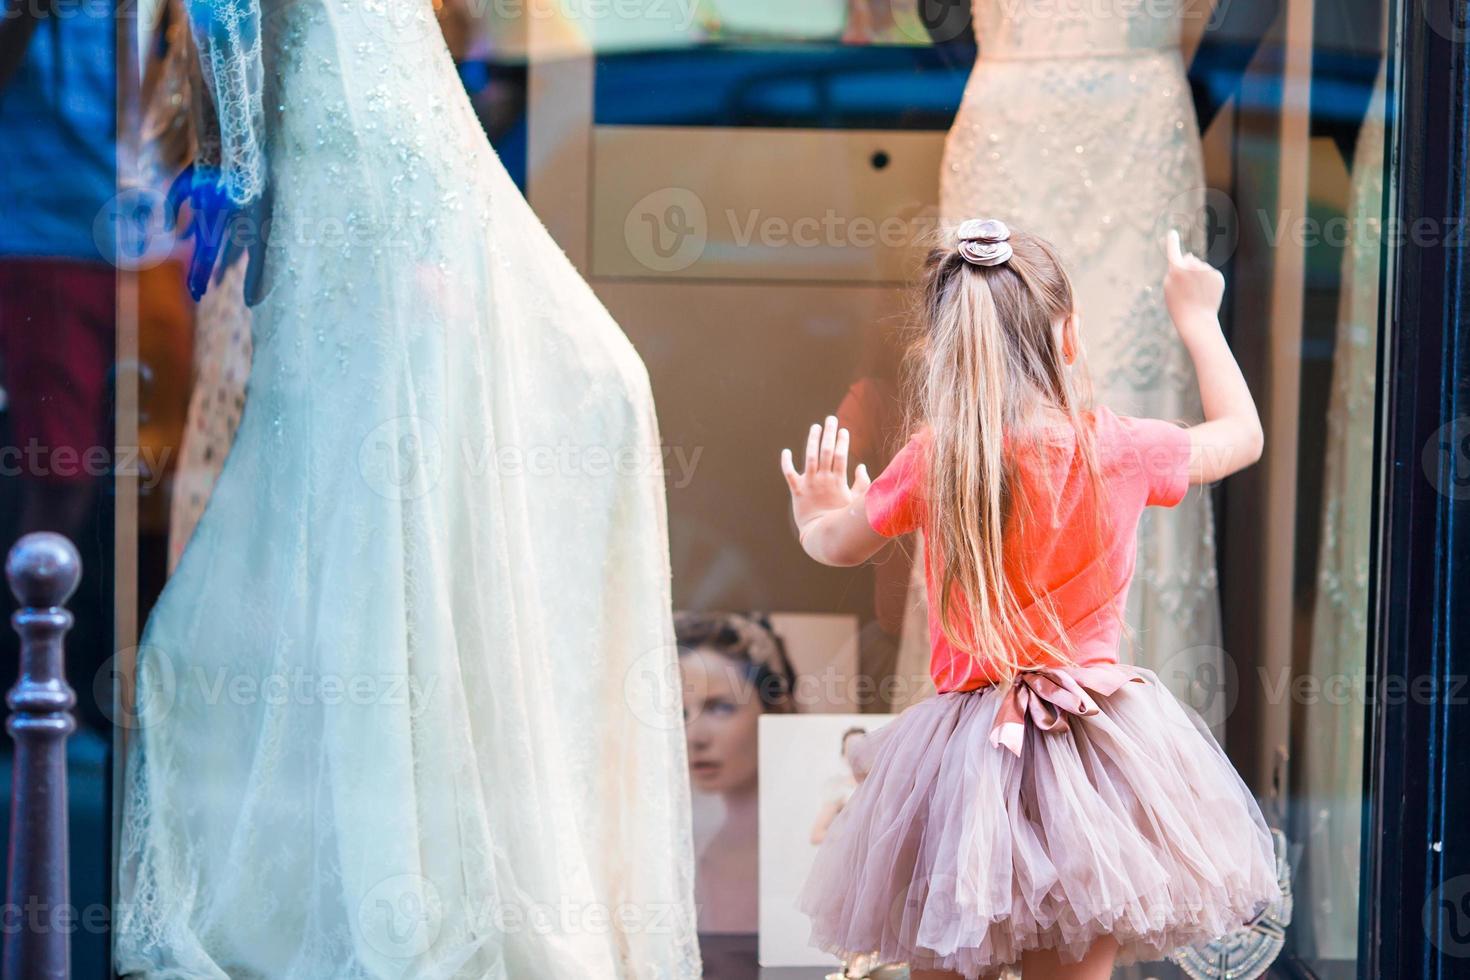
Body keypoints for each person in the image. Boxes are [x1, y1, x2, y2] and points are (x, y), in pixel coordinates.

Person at [114, 0, 699, 976]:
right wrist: (242, 164)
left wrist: (241, 166)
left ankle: (402, 863)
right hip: (368, 144)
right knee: (374, 470)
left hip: (398, 145)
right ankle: (383, 866)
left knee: (395, 467)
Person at [779, 220, 1280, 979]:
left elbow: (837, 544)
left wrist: (816, 509)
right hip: (1097, 755)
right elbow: (1240, 435)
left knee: (940, 952)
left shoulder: (933, 458)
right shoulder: (1120, 447)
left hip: (960, 761)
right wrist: (1198, 318)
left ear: (944, 348)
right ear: (1069, 337)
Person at [677, 611, 795, 937]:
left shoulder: (811, 847)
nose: (694, 735)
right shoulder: (675, 859)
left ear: (774, 709)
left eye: (720, 708)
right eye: (679, 712)